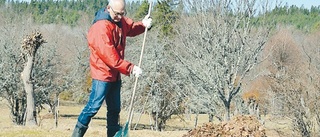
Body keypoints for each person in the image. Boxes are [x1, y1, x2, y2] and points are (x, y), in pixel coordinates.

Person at [71, 0, 152, 136]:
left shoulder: (120, 21)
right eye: (117, 14)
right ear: (108, 8)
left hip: (115, 74)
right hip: (102, 74)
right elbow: (111, 57)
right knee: (93, 107)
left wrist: (143, 25)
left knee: (115, 109)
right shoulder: (100, 28)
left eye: (123, 13)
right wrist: (131, 68)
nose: (120, 17)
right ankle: (76, 134)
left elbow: (131, 28)